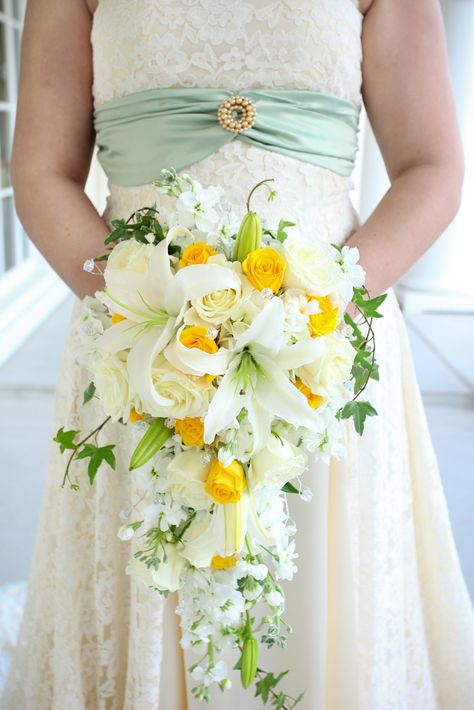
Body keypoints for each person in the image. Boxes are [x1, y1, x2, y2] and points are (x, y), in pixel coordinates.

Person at [2, 0, 474, 708]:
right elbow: (41, 172)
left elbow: (431, 166)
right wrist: (143, 322)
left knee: (314, 570)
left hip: (323, 344)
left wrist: (320, 313)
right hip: (138, 341)